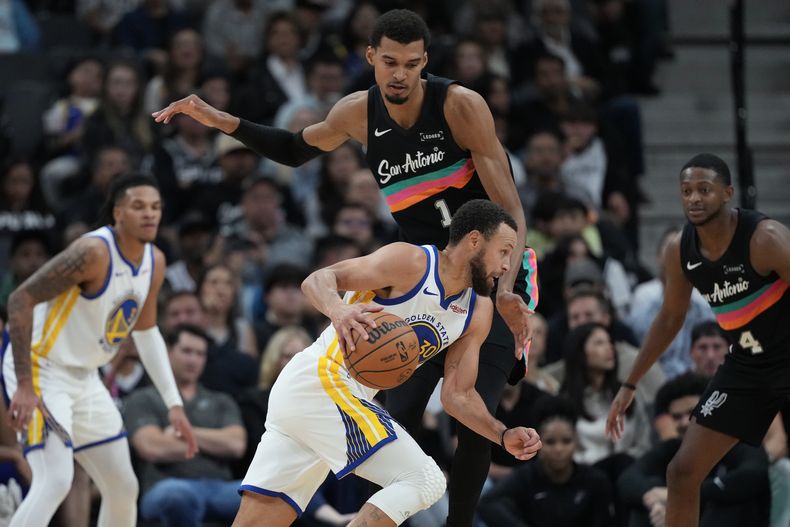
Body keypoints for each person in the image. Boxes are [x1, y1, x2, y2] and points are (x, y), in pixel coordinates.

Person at [153, 10, 536, 525]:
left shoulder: (460, 106)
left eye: (412, 64)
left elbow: (510, 211)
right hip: (417, 278)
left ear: (426, 62)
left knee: (469, 423)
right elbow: (293, 150)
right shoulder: (358, 115)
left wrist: (504, 288)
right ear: (370, 57)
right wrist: (224, 121)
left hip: (485, 275)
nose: (400, 74)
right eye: (390, 62)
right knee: (400, 431)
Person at [232, 199, 541, 527]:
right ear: (475, 240)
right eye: (504, 252)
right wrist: (339, 310)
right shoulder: (411, 261)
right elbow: (318, 279)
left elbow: (458, 396)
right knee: (424, 480)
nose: (507, 266)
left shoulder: (477, 310)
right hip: (324, 378)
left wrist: (502, 434)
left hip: (321, 400)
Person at [2, 174, 198, 526]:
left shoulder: (155, 261)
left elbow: (147, 332)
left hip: (84, 376)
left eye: (155, 207)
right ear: (118, 212)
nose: (149, 214)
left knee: (123, 486)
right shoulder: (92, 252)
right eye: (138, 206)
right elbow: (20, 299)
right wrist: (25, 384)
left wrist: (174, 403)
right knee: (55, 480)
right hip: (41, 367)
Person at [607, 153, 790, 527]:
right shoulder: (680, 249)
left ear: (727, 193)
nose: (693, 198)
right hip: (748, 365)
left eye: (704, 190)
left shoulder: (765, 238)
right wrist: (630, 382)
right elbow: (670, 319)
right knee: (682, 471)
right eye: (686, 190)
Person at [124, 324, 246, 526]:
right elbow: (152, 447)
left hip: (220, 487)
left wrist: (183, 434)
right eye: (187, 351)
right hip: (166, 484)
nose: (193, 360)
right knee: (178, 495)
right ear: (168, 352)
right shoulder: (143, 398)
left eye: (200, 354)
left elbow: (236, 445)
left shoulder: (221, 400)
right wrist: (214, 443)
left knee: (269, 493)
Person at [618, 373, 771, 527]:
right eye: (677, 417)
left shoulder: (735, 442)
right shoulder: (674, 447)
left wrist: (679, 496)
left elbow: (753, 474)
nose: (685, 422)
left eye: (692, 412)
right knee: (646, 502)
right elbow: (628, 478)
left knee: (728, 500)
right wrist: (656, 501)